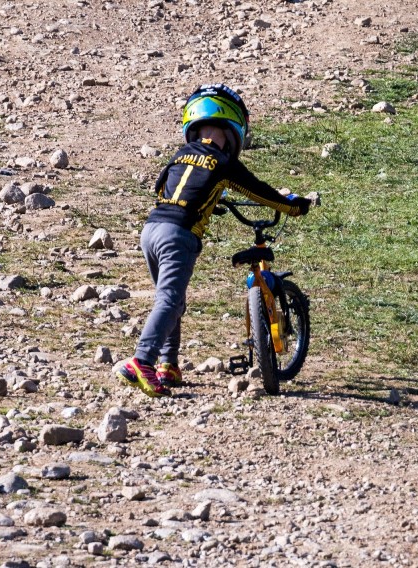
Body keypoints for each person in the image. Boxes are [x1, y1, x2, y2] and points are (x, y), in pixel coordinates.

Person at [114, 83, 312, 397]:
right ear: (234, 128)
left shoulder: (180, 156)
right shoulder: (223, 163)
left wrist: (208, 199)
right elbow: (259, 191)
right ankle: (143, 361)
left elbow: (162, 188)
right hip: (178, 236)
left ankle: (168, 365)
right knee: (168, 300)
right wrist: (296, 206)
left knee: (172, 300)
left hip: (151, 231)